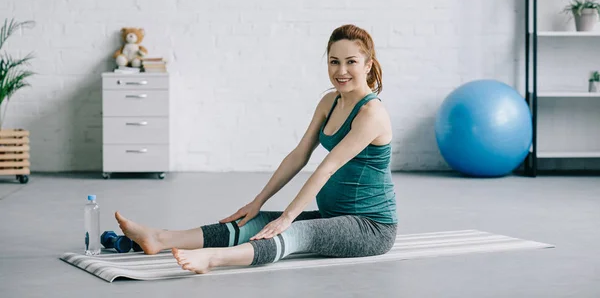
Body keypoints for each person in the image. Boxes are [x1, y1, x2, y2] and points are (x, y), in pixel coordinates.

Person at [115, 24, 398, 274]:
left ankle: (212, 259)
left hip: (370, 227)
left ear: (368, 64)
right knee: (257, 221)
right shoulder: (330, 102)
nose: (341, 71)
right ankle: (160, 238)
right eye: (334, 62)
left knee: (296, 230)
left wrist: (289, 216)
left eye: (351, 62)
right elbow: (299, 155)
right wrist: (257, 201)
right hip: (335, 216)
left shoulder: (371, 114)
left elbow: (327, 167)